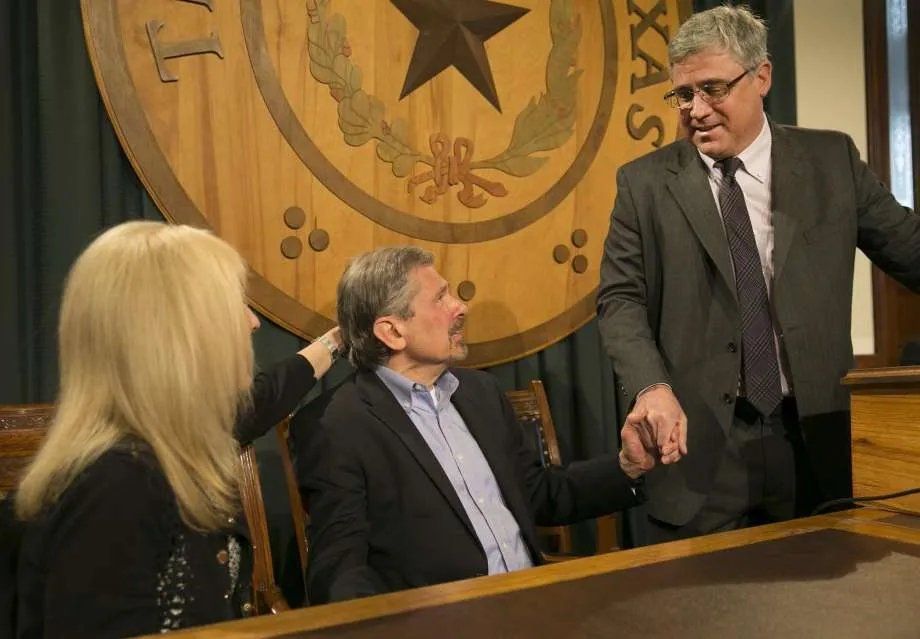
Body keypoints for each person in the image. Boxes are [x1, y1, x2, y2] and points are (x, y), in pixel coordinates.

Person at [597, 5, 920, 544]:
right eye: (683, 94)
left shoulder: (830, 161)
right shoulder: (644, 185)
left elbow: (910, 250)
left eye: (713, 89)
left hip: (816, 437)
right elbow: (619, 300)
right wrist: (651, 387)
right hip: (701, 452)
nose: (696, 110)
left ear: (762, 76)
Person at [12, 221, 341, 638]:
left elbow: (260, 402)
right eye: (235, 304)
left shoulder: (157, 454)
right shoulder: (117, 489)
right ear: (181, 332)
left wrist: (334, 342)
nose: (253, 322)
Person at [293, 246, 659, 604]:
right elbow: (339, 570)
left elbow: (537, 494)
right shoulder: (336, 424)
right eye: (440, 299)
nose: (460, 306)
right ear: (391, 332)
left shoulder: (479, 392)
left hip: (537, 607)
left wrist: (626, 466)